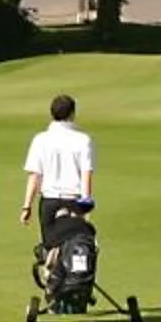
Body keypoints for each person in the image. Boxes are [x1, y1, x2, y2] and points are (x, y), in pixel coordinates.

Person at [19, 92, 95, 249]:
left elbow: (34, 175)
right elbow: (86, 173)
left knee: (50, 246)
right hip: (74, 201)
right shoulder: (83, 140)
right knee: (76, 246)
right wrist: (86, 203)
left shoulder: (40, 139)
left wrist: (27, 206)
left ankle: (50, 268)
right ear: (72, 114)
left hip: (49, 201)